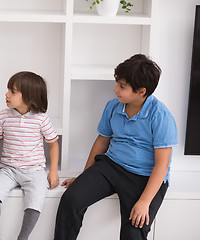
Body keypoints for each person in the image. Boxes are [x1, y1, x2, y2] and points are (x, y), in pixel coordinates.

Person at [54, 54, 178, 240]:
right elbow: (102, 141)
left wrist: (144, 201)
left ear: (141, 91)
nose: (115, 89)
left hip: (144, 176)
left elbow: (162, 165)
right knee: (71, 199)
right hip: (111, 166)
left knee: (134, 230)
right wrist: (85, 176)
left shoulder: (161, 116)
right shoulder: (113, 106)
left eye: (121, 86)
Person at [0, 71, 60, 240]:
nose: (6, 94)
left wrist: (54, 171)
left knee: (35, 201)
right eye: (8, 90)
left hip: (34, 171)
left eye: (12, 91)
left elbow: (53, 143)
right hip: (8, 170)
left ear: (29, 97)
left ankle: (23, 237)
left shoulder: (41, 119)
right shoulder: (3, 116)